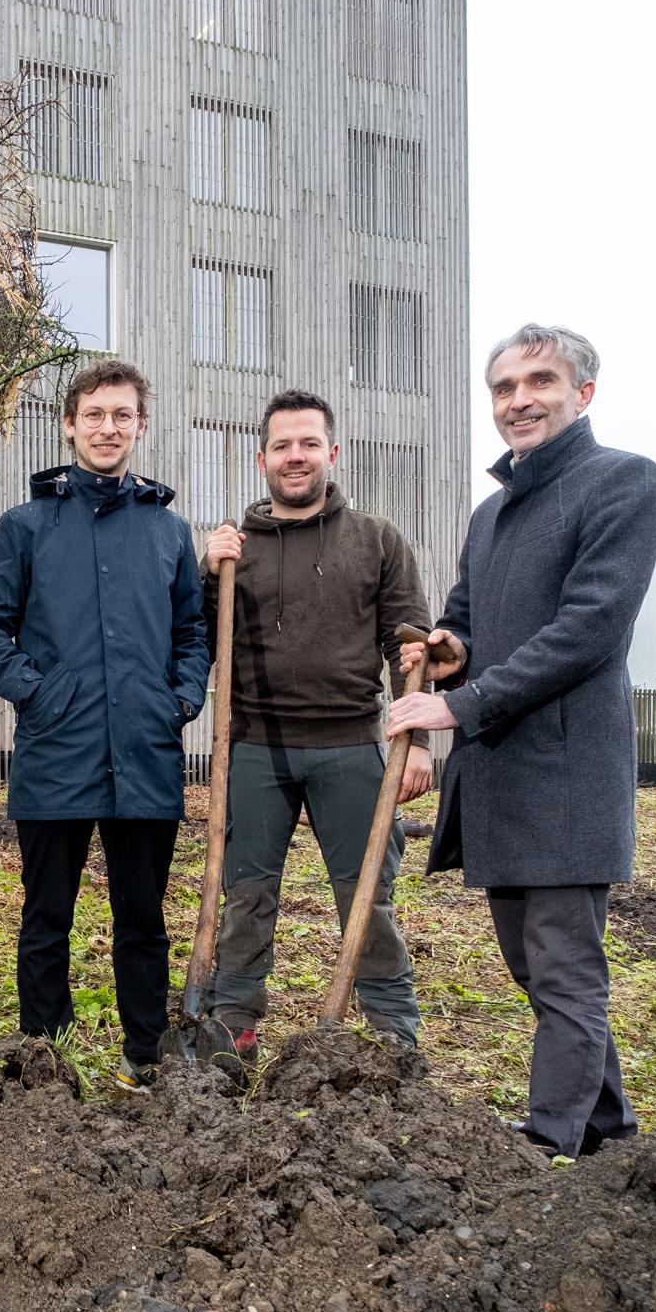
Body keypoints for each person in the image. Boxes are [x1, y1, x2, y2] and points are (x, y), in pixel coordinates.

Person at [385, 324, 656, 1158]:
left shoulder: (624, 483)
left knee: (564, 968)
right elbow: (469, 616)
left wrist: (458, 705)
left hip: (567, 773)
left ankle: (549, 1144)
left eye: (539, 381)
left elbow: (589, 630)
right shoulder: (493, 512)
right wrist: (448, 649)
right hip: (505, 775)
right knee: (536, 966)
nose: (519, 400)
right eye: (504, 388)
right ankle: (608, 1127)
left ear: (583, 394)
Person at [0, 359, 210, 1084]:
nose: (108, 427)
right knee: (47, 919)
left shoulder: (168, 531)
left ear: (140, 426)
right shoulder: (27, 526)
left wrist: (181, 700)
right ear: (69, 424)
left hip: (145, 753)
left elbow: (192, 630)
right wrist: (36, 694)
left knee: (144, 919)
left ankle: (145, 1054)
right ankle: (46, 1055)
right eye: (94, 415)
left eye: (122, 415)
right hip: (55, 752)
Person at [200, 389, 432, 1058]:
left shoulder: (376, 539)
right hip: (251, 749)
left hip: (352, 747)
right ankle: (233, 1025)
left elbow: (408, 643)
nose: (295, 456)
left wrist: (415, 741)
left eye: (308, 444)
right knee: (246, 896)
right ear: (261, 457)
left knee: (368, 898)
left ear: (331, 453)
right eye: (282, 445)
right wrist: (206, 570)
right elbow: (192, 631)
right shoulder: (233, 548)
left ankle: (394, 1032)